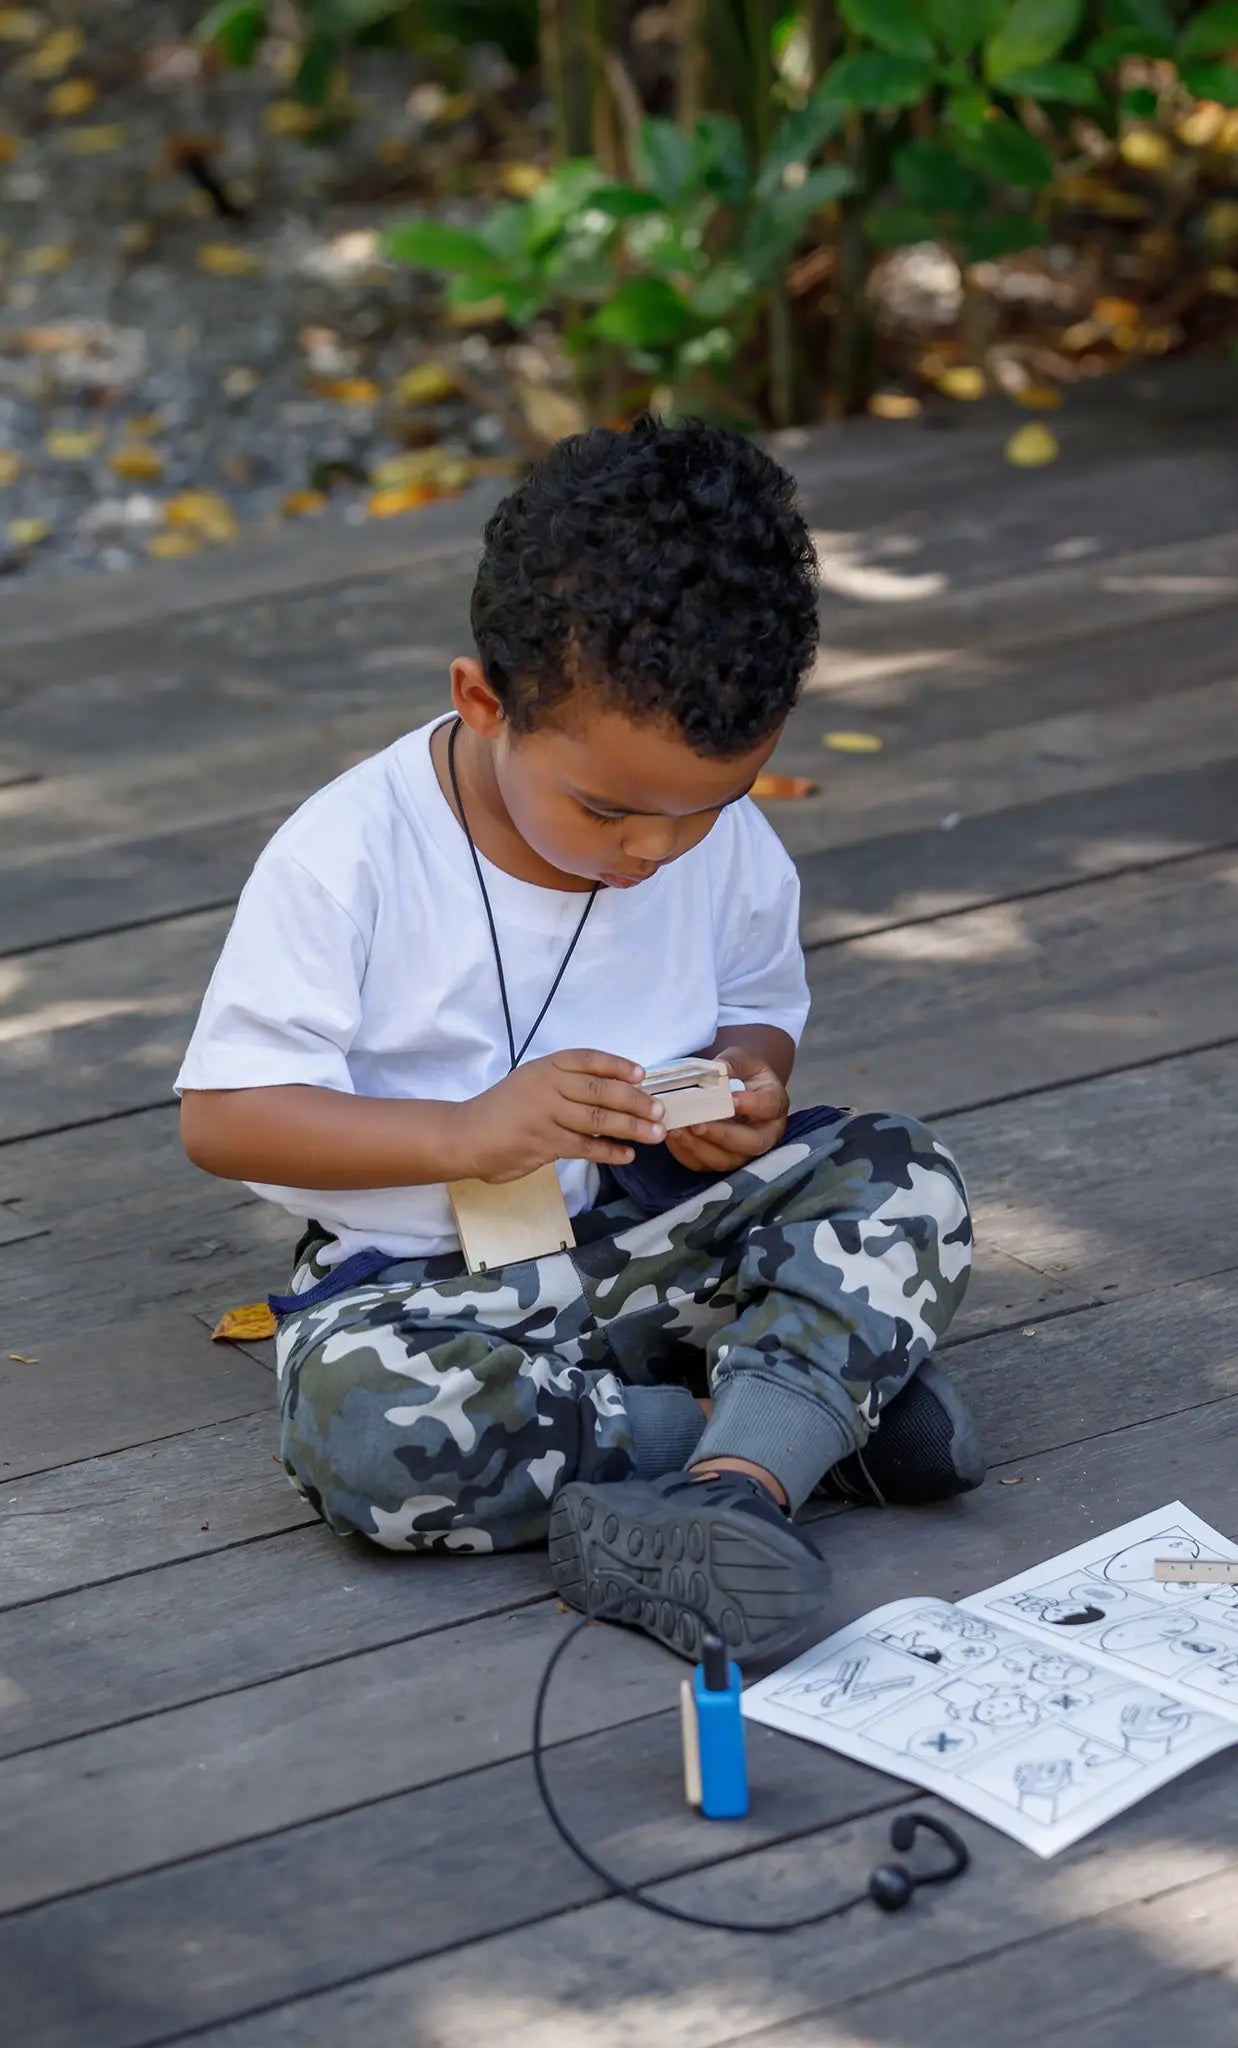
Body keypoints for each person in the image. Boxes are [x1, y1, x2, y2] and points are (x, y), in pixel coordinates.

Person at [176, 418, 982, 1664]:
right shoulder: (350, 855)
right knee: (359, 1422)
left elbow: (756, 1006)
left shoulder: (709, 843)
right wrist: (462, 1130)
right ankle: (777, 1428)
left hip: (654, 1236)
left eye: (706, 810)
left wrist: (752, 1087)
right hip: (431, 1289)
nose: (653, 850)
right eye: (607, 810)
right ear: (483, 700)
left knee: (901, 1170)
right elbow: (224, 1115)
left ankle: (733, 1485)